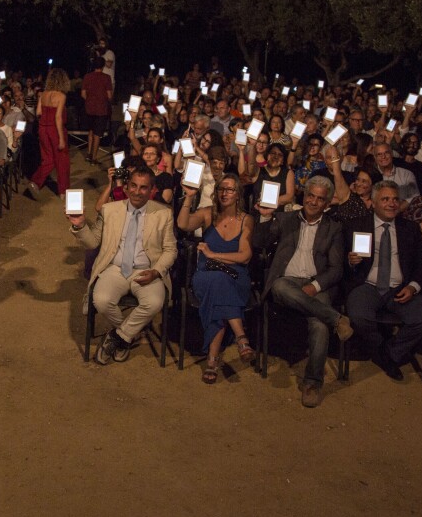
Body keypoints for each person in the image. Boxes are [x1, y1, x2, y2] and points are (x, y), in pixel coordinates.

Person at [254, 176, 352, 408]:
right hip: (286, 283)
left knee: (318, 323)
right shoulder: (286, 218)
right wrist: (265, 216)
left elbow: (336, 269)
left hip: (317, 284)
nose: (314, 202)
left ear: (327, 203)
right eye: (311, 196)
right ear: (304, 196)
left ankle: (312, 383)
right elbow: (259, 241)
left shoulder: (334, 228)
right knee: (279, 286)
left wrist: (315, 286)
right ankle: (337, 319)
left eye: (320, 199)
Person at [68, 167, 177, 366]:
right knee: (101, 300)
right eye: (133, 186)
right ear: (126, 187)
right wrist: (80, 225)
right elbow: (93, 242)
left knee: (154, 303)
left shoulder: (164, 214)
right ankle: (128, 336)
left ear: (152, 190)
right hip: (115, 268)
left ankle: (117, 338)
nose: (137, 191)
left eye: (143, 188)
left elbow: (170, 250)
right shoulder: (110, 210)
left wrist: (155, 272)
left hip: (146, 270)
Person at [342, 181, 422, 381]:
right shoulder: (356, 226)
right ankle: (381, 349)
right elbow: (340, 262)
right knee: (358, 316)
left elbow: (421, 266)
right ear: (373, 203)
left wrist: (413, 287)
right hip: (367, 285)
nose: (392, 204)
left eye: (395, 199)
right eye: (385, 199)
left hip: (400, 288)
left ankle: (388, 352)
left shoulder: (410, 229)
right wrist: (350, 261)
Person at [176, 172, 255, 384]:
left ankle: (212, 360)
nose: (224, 193)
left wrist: (213, 254)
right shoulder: (207, 214)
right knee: (217, 281)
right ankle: (241, 337)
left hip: (235, 275)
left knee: (220, 286)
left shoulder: (246, 220)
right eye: (221, 189)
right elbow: (183, 224)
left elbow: (245, 257)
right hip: (207, 273)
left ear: (238, 194)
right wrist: (190, 197)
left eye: (229, 189)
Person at [26, 68, 70, 198]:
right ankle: (63, 191)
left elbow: (38, 112)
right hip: (54, 129)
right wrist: (61, 138)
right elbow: (58, 117)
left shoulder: (43, 94)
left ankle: (35, 182)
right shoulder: (61, 96)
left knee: (48, 159)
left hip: (43, 128)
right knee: (62, 160)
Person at [81, 54, 112, 164]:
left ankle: (88, 153)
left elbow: (83, 93)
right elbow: (109, 96)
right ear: (103, 66)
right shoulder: (106, 78)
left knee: (90, 131)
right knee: (97, 134)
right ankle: (94, 157)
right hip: (101, 109)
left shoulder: (87, 77)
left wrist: (90, 100)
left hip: (89, 108)